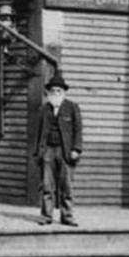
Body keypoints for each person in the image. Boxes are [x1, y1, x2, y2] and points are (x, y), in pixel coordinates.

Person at [31, 73, 83, 226]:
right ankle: (46, 216)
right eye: (52, 91)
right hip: (48, 150)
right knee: (47, 185)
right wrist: (37, 152)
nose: (55, 93)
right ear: (48, 93)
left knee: (66, 185)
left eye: (59, 91)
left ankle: (67, 216)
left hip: (65, 151)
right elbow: (38, 132)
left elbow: (78, 130)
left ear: (64, 92)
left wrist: (76, 149)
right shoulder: (44, 109)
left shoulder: (72, 108)